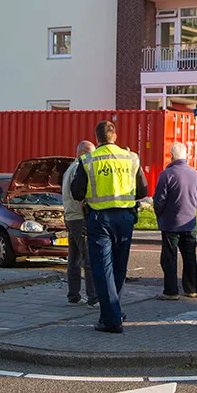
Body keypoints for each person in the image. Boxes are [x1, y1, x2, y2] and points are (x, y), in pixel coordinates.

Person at [71, 121, 148, 333]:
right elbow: (142, 191)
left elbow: (77, 192)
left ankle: (112, 320)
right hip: (125, 218)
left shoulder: (88, 159)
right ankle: (113, 312)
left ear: (97, 139)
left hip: (100, 220)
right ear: (114, 136)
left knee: (102, 270)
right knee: (118, 267)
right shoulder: (131, 158)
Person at [153, 142, 197, 300]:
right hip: (190, 222)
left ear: (171, 156)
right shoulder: (195, 173)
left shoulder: (167, 174)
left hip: (170, 223)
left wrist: (159, 214)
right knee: (190, 257)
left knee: (169, 258)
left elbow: (159, 200)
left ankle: (171, 291)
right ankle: (191, 289)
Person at [62, 140, 98, 308]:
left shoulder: (70, 167)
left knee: (74, 258)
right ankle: (93, 298)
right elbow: (78, 193)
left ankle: (74, 295)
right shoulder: (79, 168)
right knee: (89, 258)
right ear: (84, 152)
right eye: (92, 153)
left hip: (70, 217)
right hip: (79, 217)